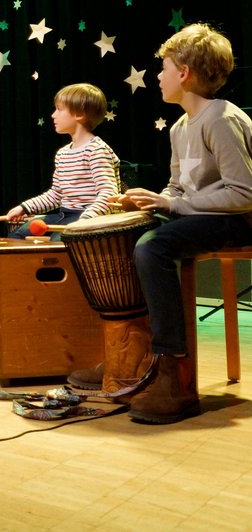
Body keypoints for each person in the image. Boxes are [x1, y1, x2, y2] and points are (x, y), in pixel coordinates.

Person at [103, 23, 252, 424]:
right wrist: (149, 200)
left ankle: (175, 373)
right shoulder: (179, 126)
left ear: (184, 73)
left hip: (235, 221)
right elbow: (178, 186)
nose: (158, 76)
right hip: (200, 216)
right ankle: (125, 356)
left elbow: (244, 193)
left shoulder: (221, 118)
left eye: (164, 67)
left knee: (152, 247)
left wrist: (173, 203)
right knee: (121, 237)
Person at [6, 83, 120, 239]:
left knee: (59, 242)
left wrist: (86, 219)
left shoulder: (96, 150)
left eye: (59, 109)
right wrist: (25, 207)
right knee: (17, 235)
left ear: (80, 114)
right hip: (65, 215)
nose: (53, 115)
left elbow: (109, 193)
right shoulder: (63, 153)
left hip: (89, 218)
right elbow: (56, 195)